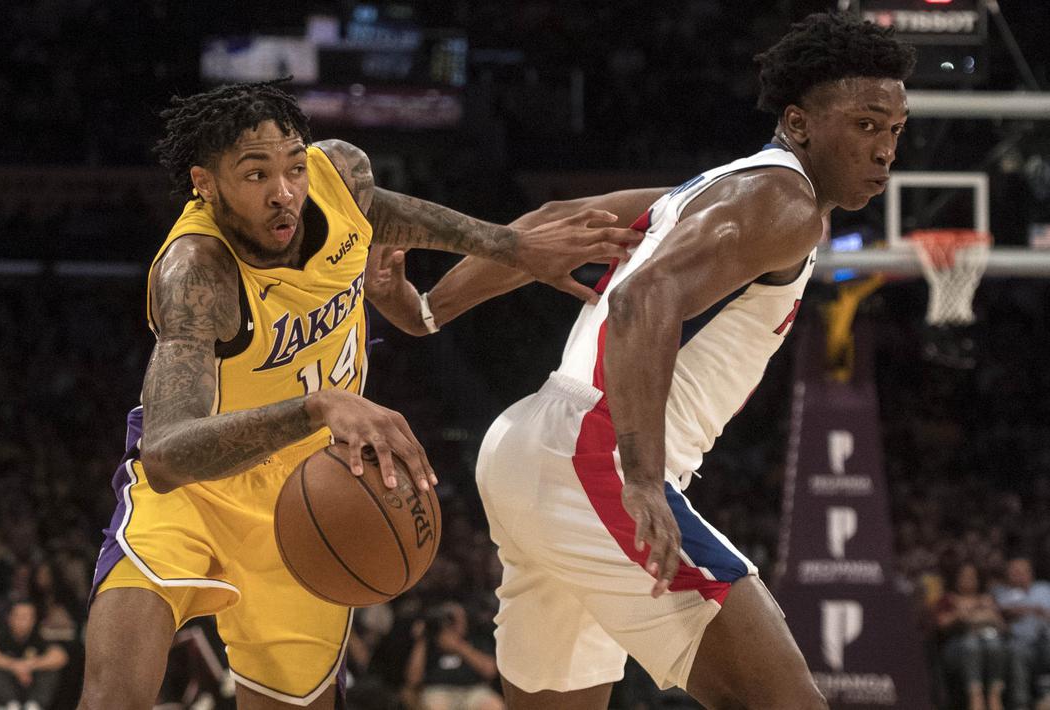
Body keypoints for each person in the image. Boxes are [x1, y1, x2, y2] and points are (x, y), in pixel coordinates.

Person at [377, 12, 914, 708]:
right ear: (799, 121)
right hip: (590, 463)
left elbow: (559, 221)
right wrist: (639, 476)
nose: (883, 152)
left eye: (894, 132)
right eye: (866, 125)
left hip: (528, 451)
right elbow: (641, 301)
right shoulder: (783, 201)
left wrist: (427, 309)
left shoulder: (717, 189)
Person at [78, 80, 638, 710]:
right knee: (113, 695)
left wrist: (513, 246)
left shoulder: (339, 174)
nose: (284, 190)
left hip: (307, 493)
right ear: (206, 184)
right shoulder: (196, 272)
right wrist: (319, 406)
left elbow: (385, 213)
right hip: (192, 492)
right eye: (255, 174)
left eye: (293, 166)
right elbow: (166, 453)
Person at [405, 602, 504, 710]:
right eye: (446, 619)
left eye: (454, 619)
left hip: (474, 690)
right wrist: (421, 640)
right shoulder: (429, 645)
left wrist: (459, 647)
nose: (450, 624)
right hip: (438, 691)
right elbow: (413, 680)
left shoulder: (475, 640)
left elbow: (490, 671)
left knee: (494, 706)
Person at [937, 563, 1008, 710]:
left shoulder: (987, 599)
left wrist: (986, 614)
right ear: (956, 579)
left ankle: (994, 694)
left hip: (987, 645)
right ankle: (975, 696)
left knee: (994, 643)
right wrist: (960, 615)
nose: (968, 580)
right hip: (957, 648)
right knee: (971, 643)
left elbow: (1002, 627)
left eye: (971, 577)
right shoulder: (949, 599)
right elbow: (941, 624)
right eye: (964, 577)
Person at [0, 601, 69, 710]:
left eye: (28, 616)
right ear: (10, 618)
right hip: (7, 689)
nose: (24, 621)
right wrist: (14, 665)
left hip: (32, 688)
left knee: (51, 668)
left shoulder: (39, 635)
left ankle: (34, 705)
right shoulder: (1, 634)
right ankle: (10, 704)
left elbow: (60, 656)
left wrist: (29, 666)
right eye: (19, 616)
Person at [993, 557, 1050, 710]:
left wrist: (1039, 612)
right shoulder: (1003, 592)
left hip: (1046, 638)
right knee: (1018, 652)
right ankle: (1021, 704)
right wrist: (1031, 609)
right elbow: (1002, 611)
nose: (1017, 575)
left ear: (1030, 573)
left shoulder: (1044, 588)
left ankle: (1046, 697)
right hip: (1019, 642)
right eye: (1013, 572)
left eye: (1021, 572)